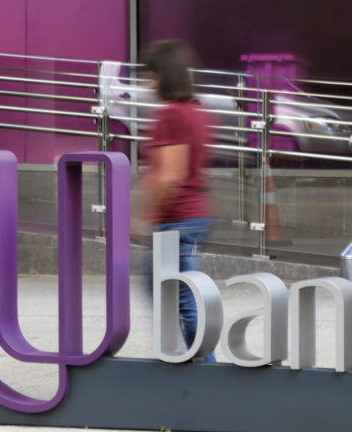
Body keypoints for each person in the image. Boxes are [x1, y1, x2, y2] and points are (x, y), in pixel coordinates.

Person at [135, 40, 216, 362]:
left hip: (175, 220)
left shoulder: (170, 115)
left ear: (162, 75)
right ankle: (190, 361)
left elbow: (171, 176)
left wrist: (147, 216)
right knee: (175, 292)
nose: (146, 83)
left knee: (178, 296)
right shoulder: (197, 112)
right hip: (196, 215)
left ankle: (205, 366)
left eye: (149, 75)